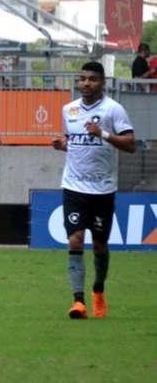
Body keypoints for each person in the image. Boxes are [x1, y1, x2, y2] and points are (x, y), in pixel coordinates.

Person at [51, 61, 136, 319]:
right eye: (82, 78)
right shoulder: (69, 109)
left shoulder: (114, 110)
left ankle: (98, 290)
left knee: (100, 244)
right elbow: (75, 142)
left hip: (102, 189)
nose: (86, 83)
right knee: (75, 239)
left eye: (92, 79)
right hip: (73, 186)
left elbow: (131, 144)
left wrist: (104, 134)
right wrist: (63, 145)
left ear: (102, 83)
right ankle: (78, 302)